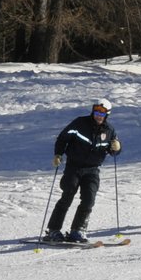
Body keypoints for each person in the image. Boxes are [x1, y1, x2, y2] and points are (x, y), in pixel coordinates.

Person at [45, 99, 121, 243]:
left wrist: (117, 148)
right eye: (96, 111)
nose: (98, 115)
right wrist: (58, 154)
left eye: (102, 113)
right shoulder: (80, 123)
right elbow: (62, 138)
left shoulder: (109, 131)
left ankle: (77, 230)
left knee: (88, 200)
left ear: (107, 115)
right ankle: (53, 230)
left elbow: (113, 151)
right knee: (67, 197)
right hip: (74, 167)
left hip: (92, 170)